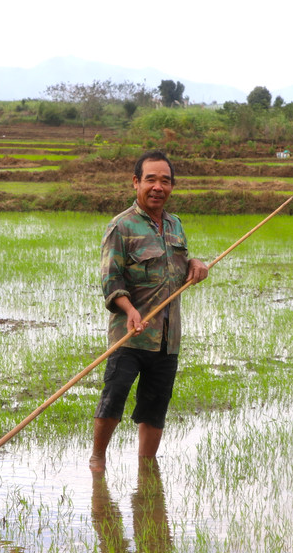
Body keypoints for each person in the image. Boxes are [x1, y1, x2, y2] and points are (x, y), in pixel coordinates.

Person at [90, 150, 209, 472]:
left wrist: (196, 264)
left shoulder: (175, 224)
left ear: (172, 186)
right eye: (151, 180)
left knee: (156, 406)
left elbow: (182, 266)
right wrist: (129, 310)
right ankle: (98, 461)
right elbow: (110, 279)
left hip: (167, 337)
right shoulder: (122, 227)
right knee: (113, 398)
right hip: (130, 335)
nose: (158, 187)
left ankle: (147, 467)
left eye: (165, 181)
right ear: (136, 183)